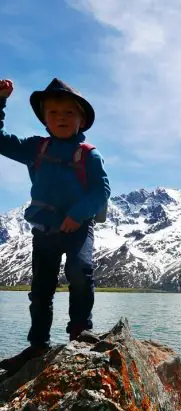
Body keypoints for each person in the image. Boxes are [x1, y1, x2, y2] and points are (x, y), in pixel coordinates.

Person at [0, 78, 111, 373]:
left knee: (79, 273)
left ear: (82, 119)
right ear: (44, 119)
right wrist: (0, 101)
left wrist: (77, 215)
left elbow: (101, 192)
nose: (61, 118)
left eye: (68, 113)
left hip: (78, 229)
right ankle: (38, 346)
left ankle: (79, 334)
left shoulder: (89, 154)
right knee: (41, 290)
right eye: (53, 113)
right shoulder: (35, 148)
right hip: (44, 232)